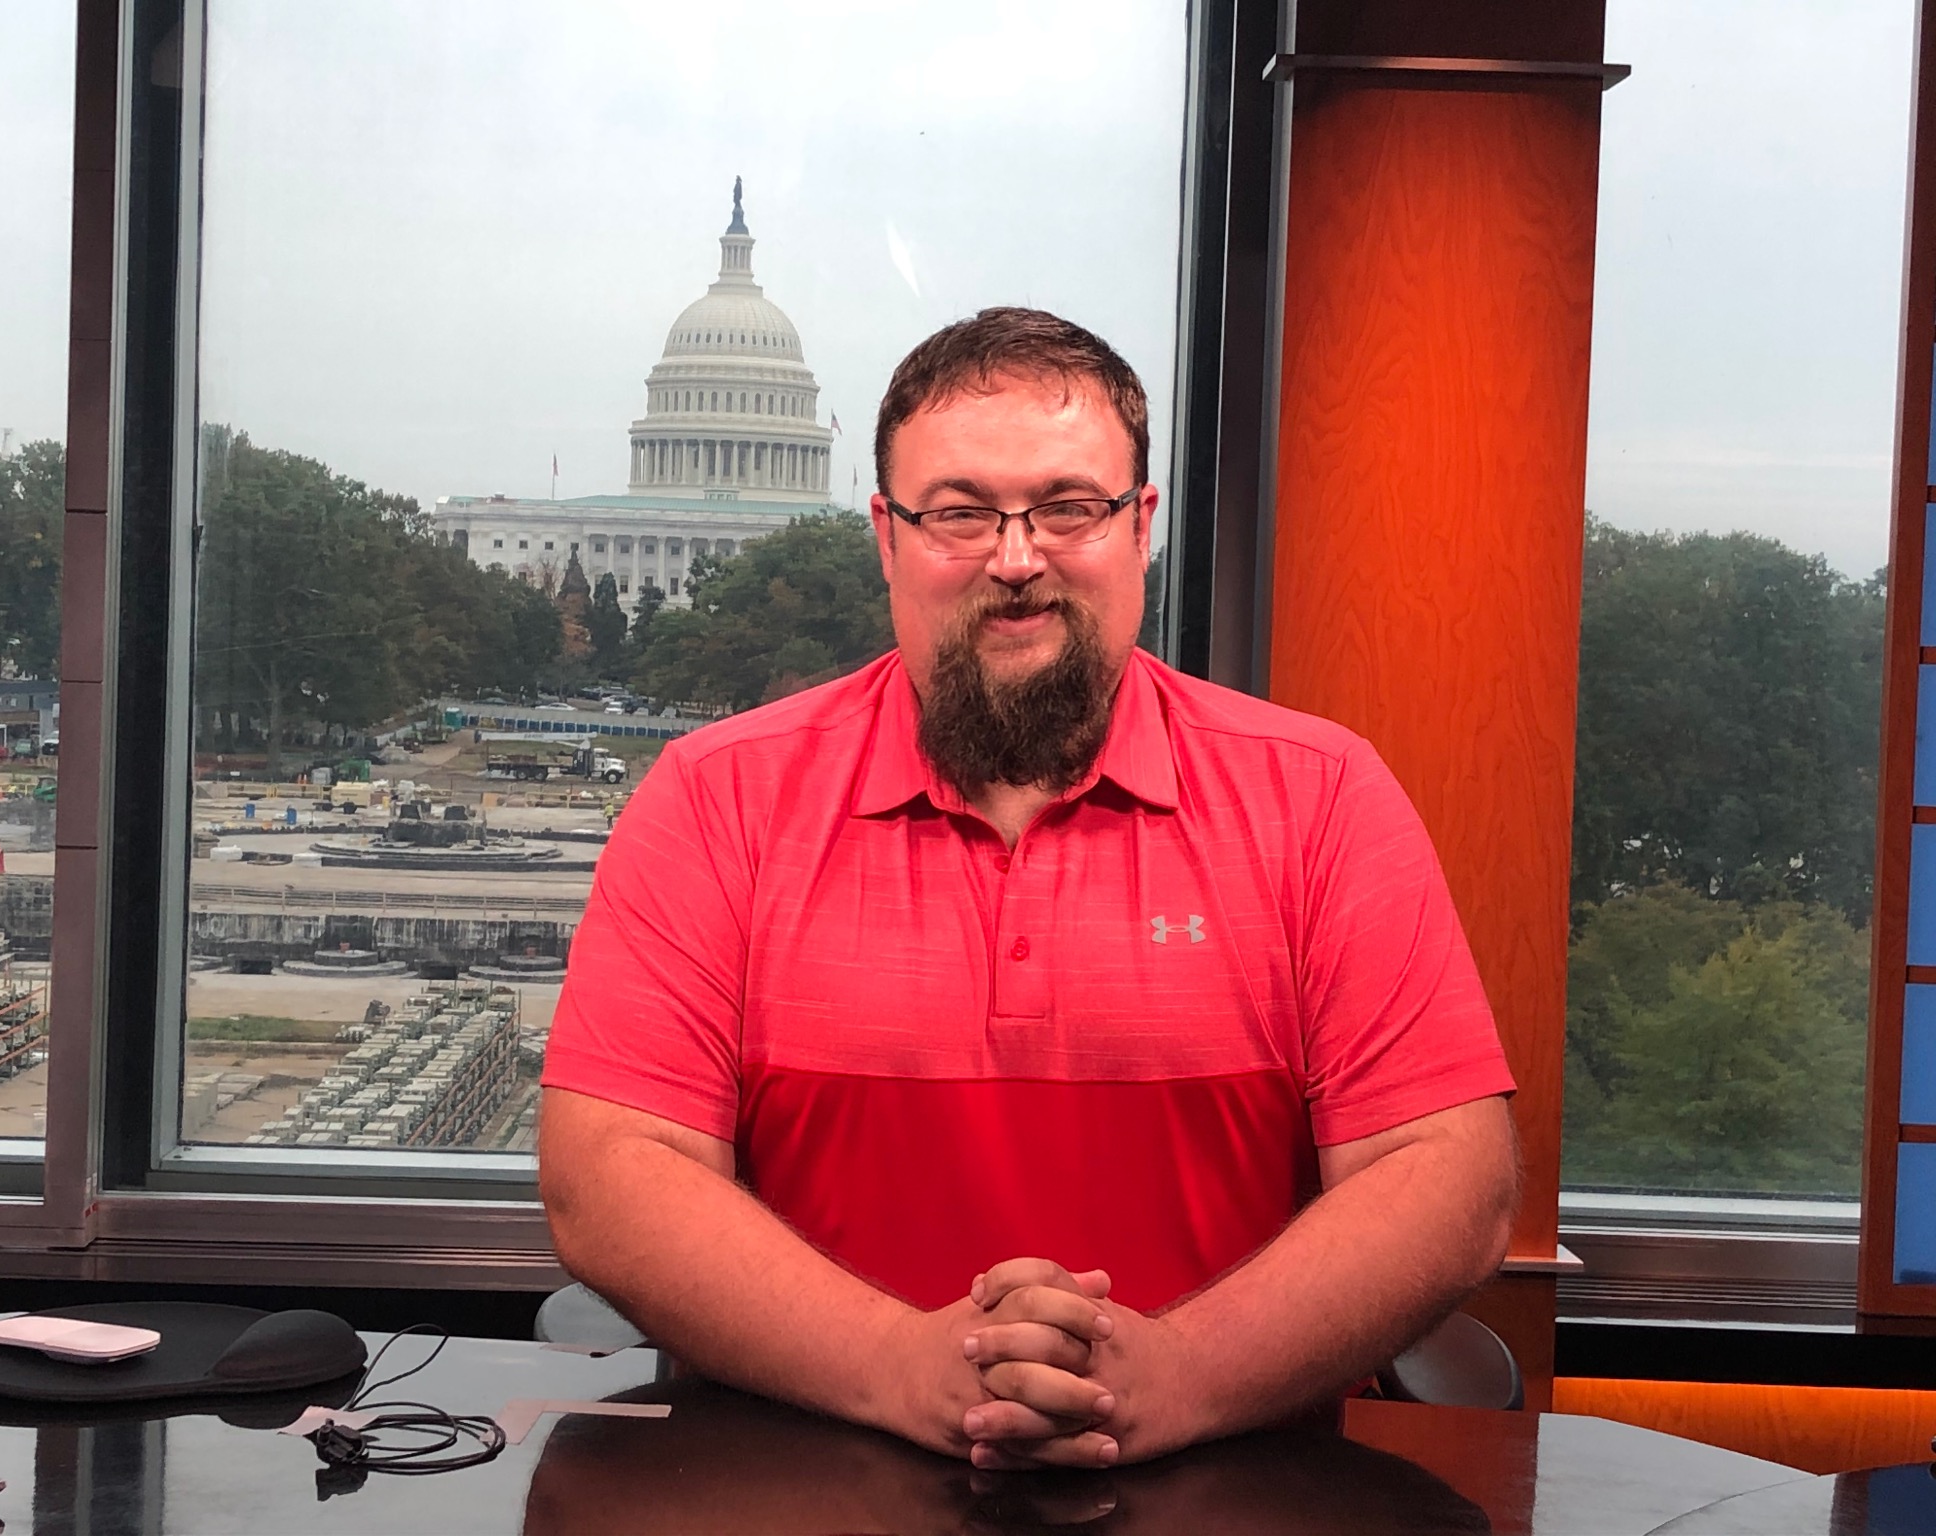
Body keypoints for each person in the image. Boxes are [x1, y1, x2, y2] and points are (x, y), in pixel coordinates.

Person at [537, 307, 1519, 1471]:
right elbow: (608, 1174)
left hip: (1234, 1481)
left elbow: (1448, 1179)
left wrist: (1181, 1374)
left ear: (1139, 526)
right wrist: (895, 1364)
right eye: (959, 513)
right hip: (804, 1480)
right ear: (886, 538)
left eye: (1066, 507)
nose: (1015, 560)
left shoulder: (1320, 797)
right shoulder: (715, 799)